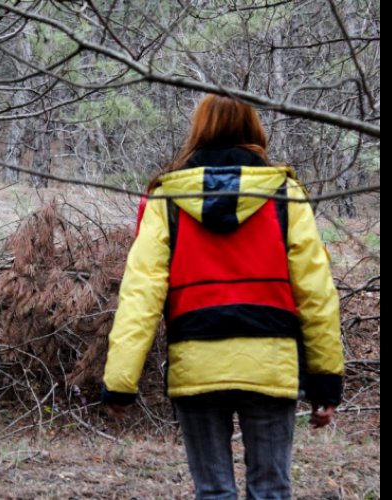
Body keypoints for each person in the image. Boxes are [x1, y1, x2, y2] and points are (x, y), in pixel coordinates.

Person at [101, 94, 344, 499]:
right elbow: (316, 292)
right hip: (270, 365)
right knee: (271, 491)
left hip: (197, 366)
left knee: (213, 492)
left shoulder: (168, 197)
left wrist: (120, 382)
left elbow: (140, 294)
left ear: (199, 129)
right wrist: (326, 382)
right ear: (253, 127)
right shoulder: (284, 192)